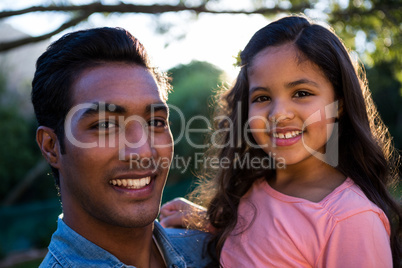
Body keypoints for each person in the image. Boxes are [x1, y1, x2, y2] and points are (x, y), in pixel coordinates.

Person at [160, 15, 401, 267]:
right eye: (262, 98)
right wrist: (207, 222)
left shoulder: (350, 219)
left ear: (338, 104)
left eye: (301, 93)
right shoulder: (253, 186)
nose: (278, 114)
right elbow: (257, 243)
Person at [32, 27, 216, 268]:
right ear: (51, 147)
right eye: (105, 125)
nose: (143, 152)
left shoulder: (217, 250)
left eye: (156, 122)